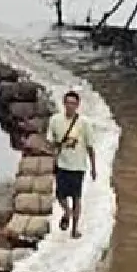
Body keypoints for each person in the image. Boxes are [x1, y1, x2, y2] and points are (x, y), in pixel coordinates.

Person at [46, 90, 95, 238]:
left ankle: (74, 229)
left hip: (78, 166)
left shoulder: (84, 123)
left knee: (76, 198)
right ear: (64, 103)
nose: (70, 106)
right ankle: (67, 212)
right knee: (60, 196)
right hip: (62, 164)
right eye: (68, 103)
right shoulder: (55, 120)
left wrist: (93, 167)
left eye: (74, 103)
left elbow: (90, 146)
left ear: (78, 105)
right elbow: (51, 142)